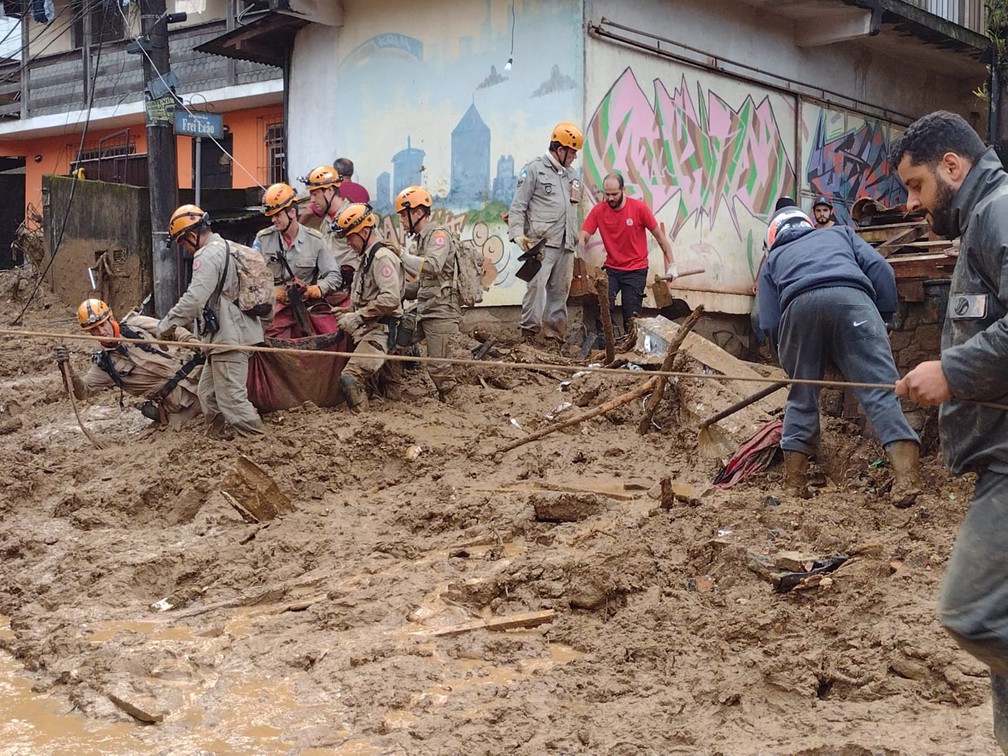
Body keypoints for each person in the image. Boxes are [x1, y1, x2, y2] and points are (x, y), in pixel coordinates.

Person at [890, 110, 1008, 751]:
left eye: (916, 186)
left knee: (973, 614)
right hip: (998, 458)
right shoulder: (983, 222)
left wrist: (953, 372)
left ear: (953, 167)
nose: (911, 204)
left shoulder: (999, 213)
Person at [756, 205, 921, 503]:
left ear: (774, 236)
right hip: (854, 302)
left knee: (801, 396)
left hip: (799, 309)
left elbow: (768, 320)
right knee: (881, 390)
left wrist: (792, 356)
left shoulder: (773, 259)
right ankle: (907, 480)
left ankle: (794, 486)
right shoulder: (841, 233)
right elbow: (882, 269)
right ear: (807, 225)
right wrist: (882, 315)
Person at [157, 204, 267, 438]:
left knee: (232, 401)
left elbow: (195, 298)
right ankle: (217, 440)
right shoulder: (226, 247)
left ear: (193, 235)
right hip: (225, 336)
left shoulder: (207, 254)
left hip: (230, 335)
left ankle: (258, 443)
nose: (185, 249)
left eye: (183, 243)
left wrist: (166, 325)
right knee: (208, 393)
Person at [54, 299, 203, 426]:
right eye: (95, 329)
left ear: (111, 318)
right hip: (181, 405)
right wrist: (65, 367)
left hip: (198, 376)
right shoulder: (104, 365)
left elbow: (172, 329)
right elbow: (82, 392)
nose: (102, 331)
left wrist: (195, 344)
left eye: (103, 324)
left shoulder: (136, 324)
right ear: (90, 333)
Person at [508, 121, 583, 348]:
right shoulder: (533, 169)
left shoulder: (571, 175)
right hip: (542, 244)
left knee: (560, 291)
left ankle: (554, 338)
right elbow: (518, 205)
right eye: (572, 152)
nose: (574, 157)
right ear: (559, 149)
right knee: (536, 288)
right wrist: (518, 235)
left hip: (566, 243)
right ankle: (529, 336)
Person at [578, 173, 676, 331]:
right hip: (612, 269)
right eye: (607, 194)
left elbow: (660, 237)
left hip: (636, 270)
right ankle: (604, 349)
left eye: (614, 194)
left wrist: (672, 264)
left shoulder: (639, 208)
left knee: (631, 316)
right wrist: (580, 258)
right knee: (603, 310)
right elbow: (583, 236)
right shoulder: (599, 210)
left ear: (623, 189)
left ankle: (629, 349)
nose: (610, 198)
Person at [331, 203, 403, 412]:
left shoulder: (382, 258)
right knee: (385, 392)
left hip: (381, 332)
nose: (348, 242)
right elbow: (368, 296)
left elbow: (391, 299)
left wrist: (358, 316)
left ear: (364, 232)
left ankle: (362, 420)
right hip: (371, 330)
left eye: (351, 236)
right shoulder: (367, 258)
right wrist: (349, 312)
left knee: (349, 378)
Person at [393, 185, 461, 401]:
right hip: (425, 309)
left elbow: (433, 266)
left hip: (441, 312)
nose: (401, 221)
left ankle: (454, 404)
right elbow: (425, 284)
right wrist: (398, 292)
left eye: (404, 215)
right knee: (396, 341)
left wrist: (401, 255)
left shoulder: (439, 236)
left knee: (439, 368)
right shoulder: (423, 239)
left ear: (417, 212)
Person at [253, 182, 341, 309]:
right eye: (271, 216)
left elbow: (334, 275)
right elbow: (250, 276)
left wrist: (315, 289)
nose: (273, 220)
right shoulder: (263, 239)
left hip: (305, 306)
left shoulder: (315, 240)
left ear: (292, 213)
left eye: (277, 215)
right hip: (272, 307)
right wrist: (272, 291)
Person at [302, 164, 356, 298]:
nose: (312, 200)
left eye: (315, 194)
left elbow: (374, 250)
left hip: (351, 293)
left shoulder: (354, 216)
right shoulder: (325, 224)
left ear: (330, 190)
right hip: (331, 291)